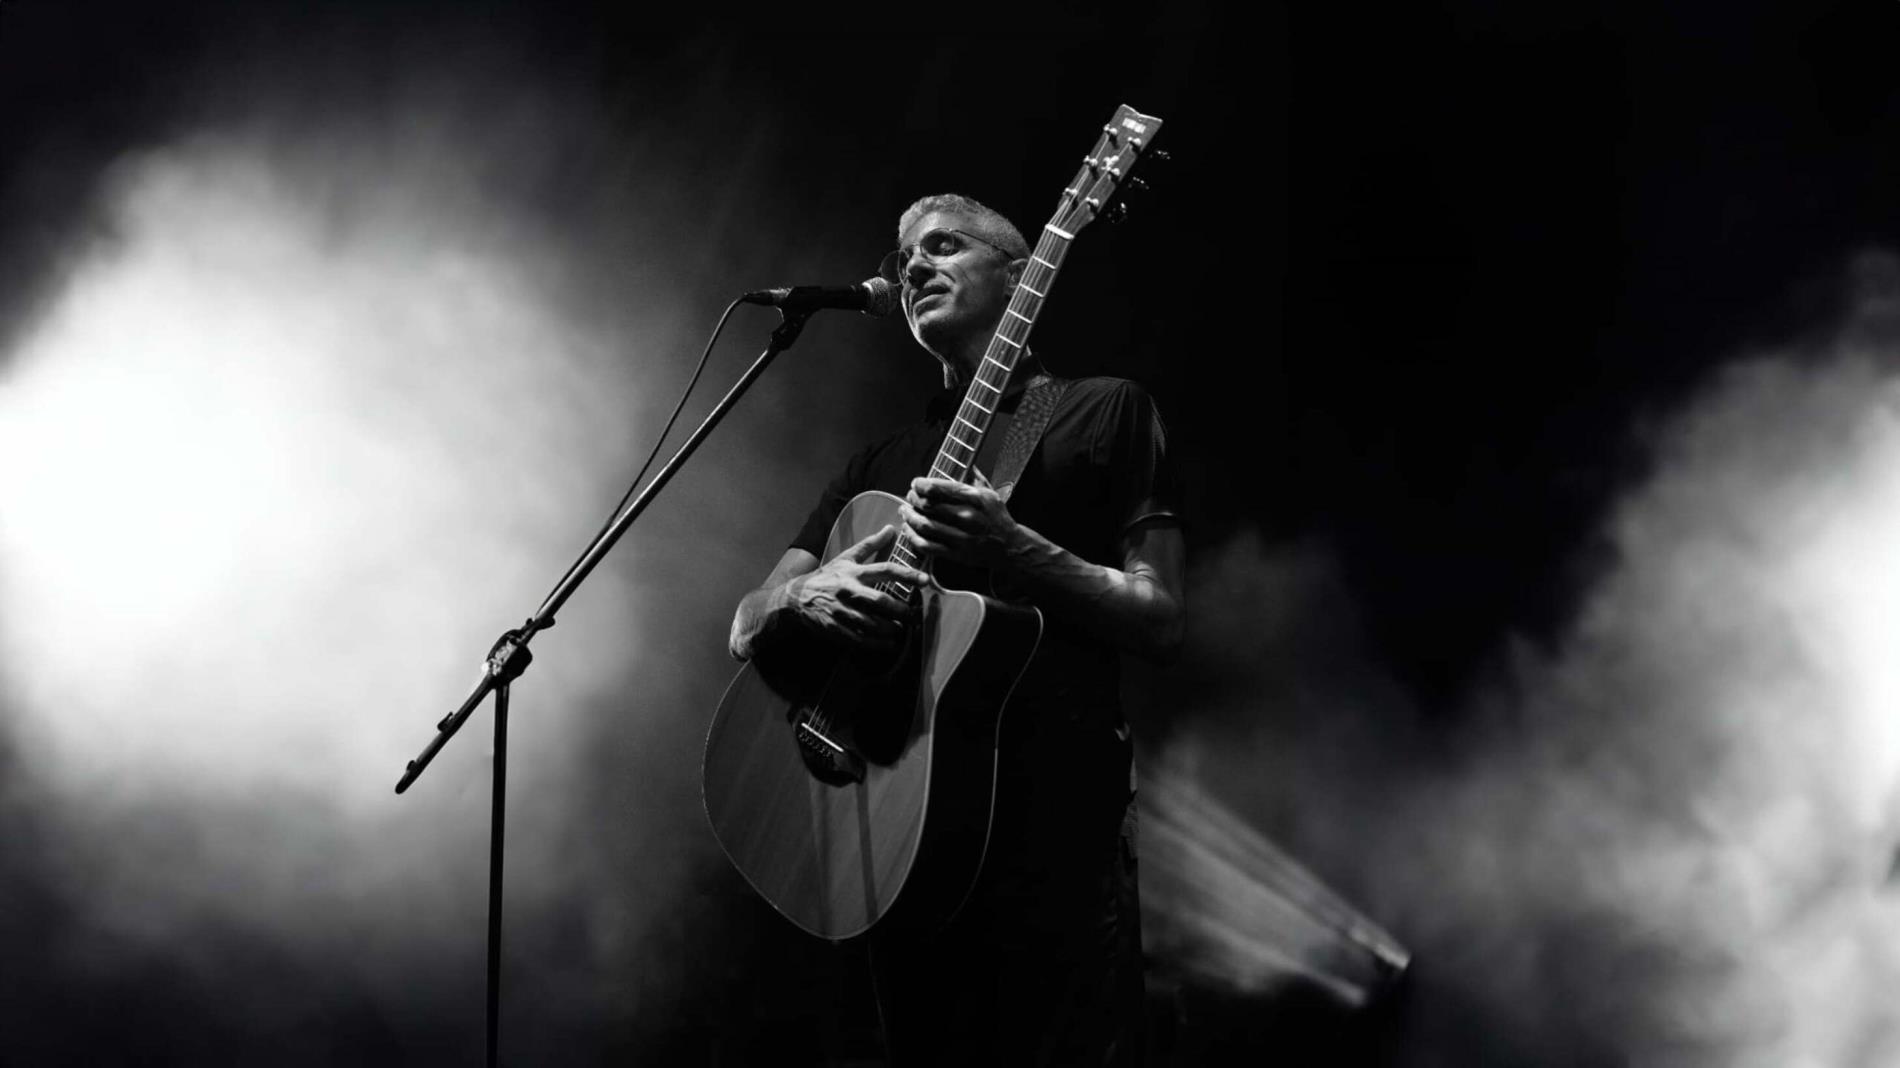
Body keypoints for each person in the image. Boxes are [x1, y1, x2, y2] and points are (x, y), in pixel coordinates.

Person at [727, 192, 1185, 1066]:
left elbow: (1161, 619)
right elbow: (746, 622)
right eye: (902, 261)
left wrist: (1014, 546)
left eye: (943, 246)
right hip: (892, 828)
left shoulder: (1105, 410)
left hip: (1055, 839)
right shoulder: (878, 465)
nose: (913, 269)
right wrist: (803, 595)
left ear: (1022, 273)